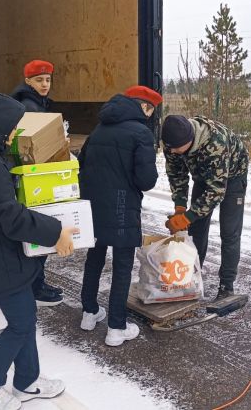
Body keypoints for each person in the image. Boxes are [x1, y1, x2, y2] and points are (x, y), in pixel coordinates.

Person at [0, 92, 78, 410]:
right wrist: (55, 232)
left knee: (25, 318)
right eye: (11, 128)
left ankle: (26, 381)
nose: (14, 135)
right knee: (21, 324)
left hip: (1, 259)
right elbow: (9, 217)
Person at [78, 86, 162, 346]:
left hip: (93, 205)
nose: (149, 116)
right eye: (150, 110)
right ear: (143, 107)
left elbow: (82, 163)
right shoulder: (141, 133)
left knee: (95, 257)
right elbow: (146, 180)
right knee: (122, 266)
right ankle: (116, 326)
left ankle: (89, 313)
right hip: (122, 206)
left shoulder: (99, 128)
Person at [161, 114, 249, 300]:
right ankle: (191, 277)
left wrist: (187, 217)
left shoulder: (215, 144)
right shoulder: (172, 144)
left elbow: (216, 191)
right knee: (196, 230)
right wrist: (180, 207)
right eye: (170, 148)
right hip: (202, 176)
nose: (173, 152)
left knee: (229, 232)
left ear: (190, 140)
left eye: (177, 148)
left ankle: (226, 286)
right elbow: (177, 175)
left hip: (232, 178)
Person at [10, 59, 64, 307]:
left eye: (48, 80)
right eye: (39, 80)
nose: (45, 84)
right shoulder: (28, 106)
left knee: (37, 233)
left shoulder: (35, 103)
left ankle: (36, 283)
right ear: (28, 81)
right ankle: (34, 286)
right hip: (34, 176)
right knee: (37, 234)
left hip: (33, 175)